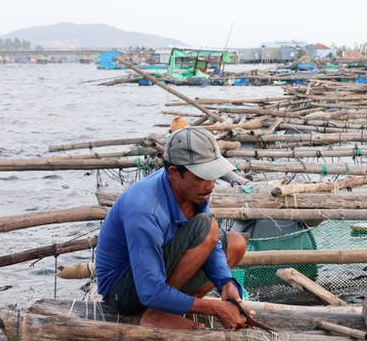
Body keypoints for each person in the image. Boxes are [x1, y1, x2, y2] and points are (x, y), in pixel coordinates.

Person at [95, 127, 251, 330]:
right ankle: (159, 312)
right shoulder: (144, 210)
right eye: (201, 177)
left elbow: (211, 245)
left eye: (212, 176)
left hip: (159, 271)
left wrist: (226, 283)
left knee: (235, 244)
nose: (211, 185)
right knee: (208, 226)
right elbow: (149, 290)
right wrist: (214, 308)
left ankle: (169, 308)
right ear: (174, 173)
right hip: (122, 292)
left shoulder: (194, 191)